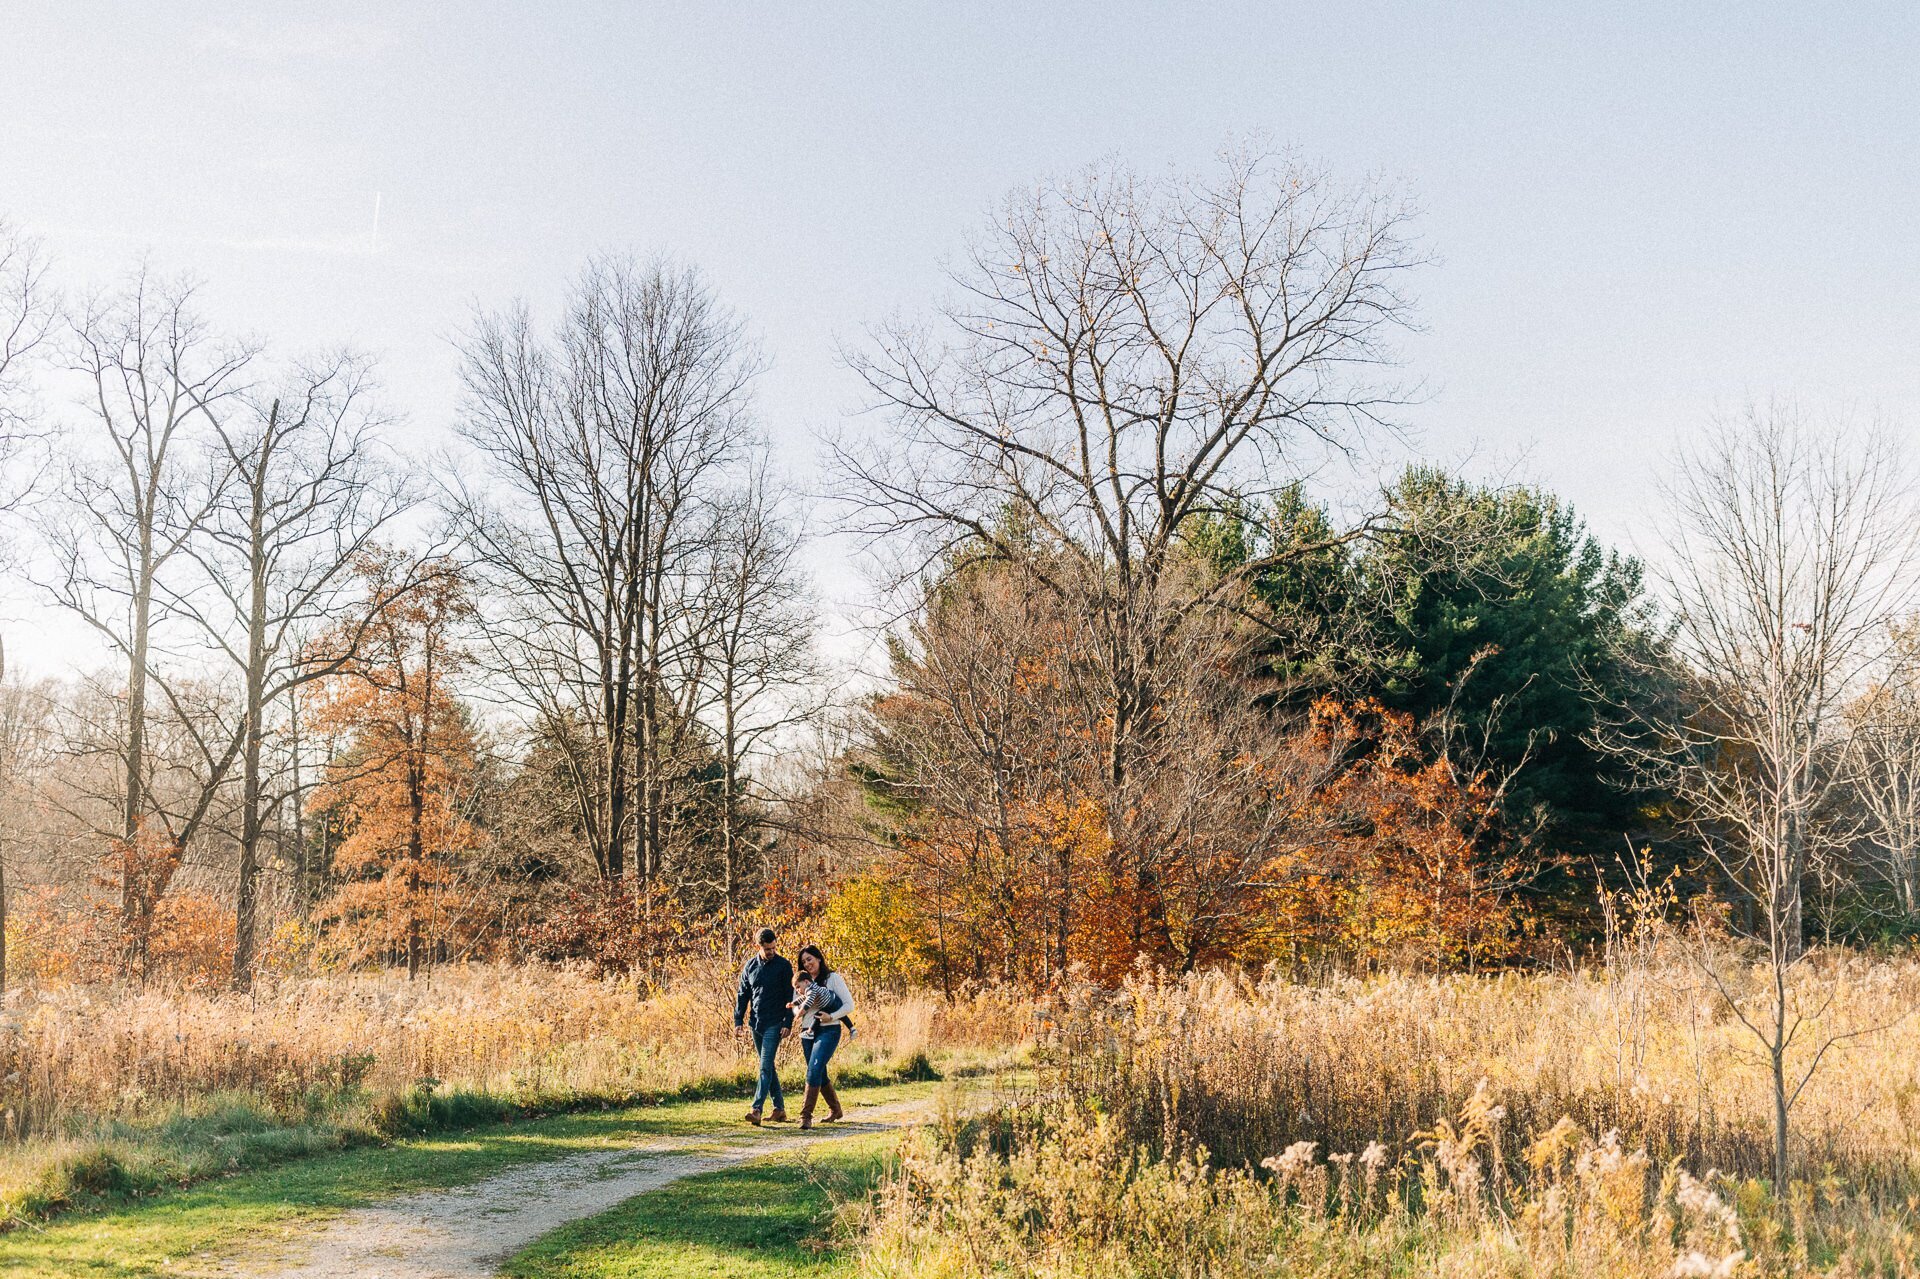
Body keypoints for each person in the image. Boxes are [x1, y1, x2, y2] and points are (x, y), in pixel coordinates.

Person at [733, 927, 793, 1125]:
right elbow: (743, 994)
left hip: (775, 1023)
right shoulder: (750, 967)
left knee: (765, 1066)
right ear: (757, 946)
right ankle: (779, 1109)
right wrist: (738, 1021)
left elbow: (789, 997)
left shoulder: (784, 966)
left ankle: (756, 1108)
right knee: (768, 1066)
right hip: (756, 1023)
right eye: (767, 949)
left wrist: (787, 1022)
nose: (771, 952)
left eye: (774, 948)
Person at [794, 944, 854, 1130]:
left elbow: (848, 1005)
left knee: (814, 1068)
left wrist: (832, 1016)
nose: (807, 963)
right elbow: (796, 1007)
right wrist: (798, 1011)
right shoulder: (801, 980)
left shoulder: (832, 978)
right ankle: (835, 1110)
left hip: (829, 1029)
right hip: (807, 1031)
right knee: (819, 1071)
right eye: (803, 961)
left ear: (819, 958)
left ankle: (805, 1116)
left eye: (810, 959)